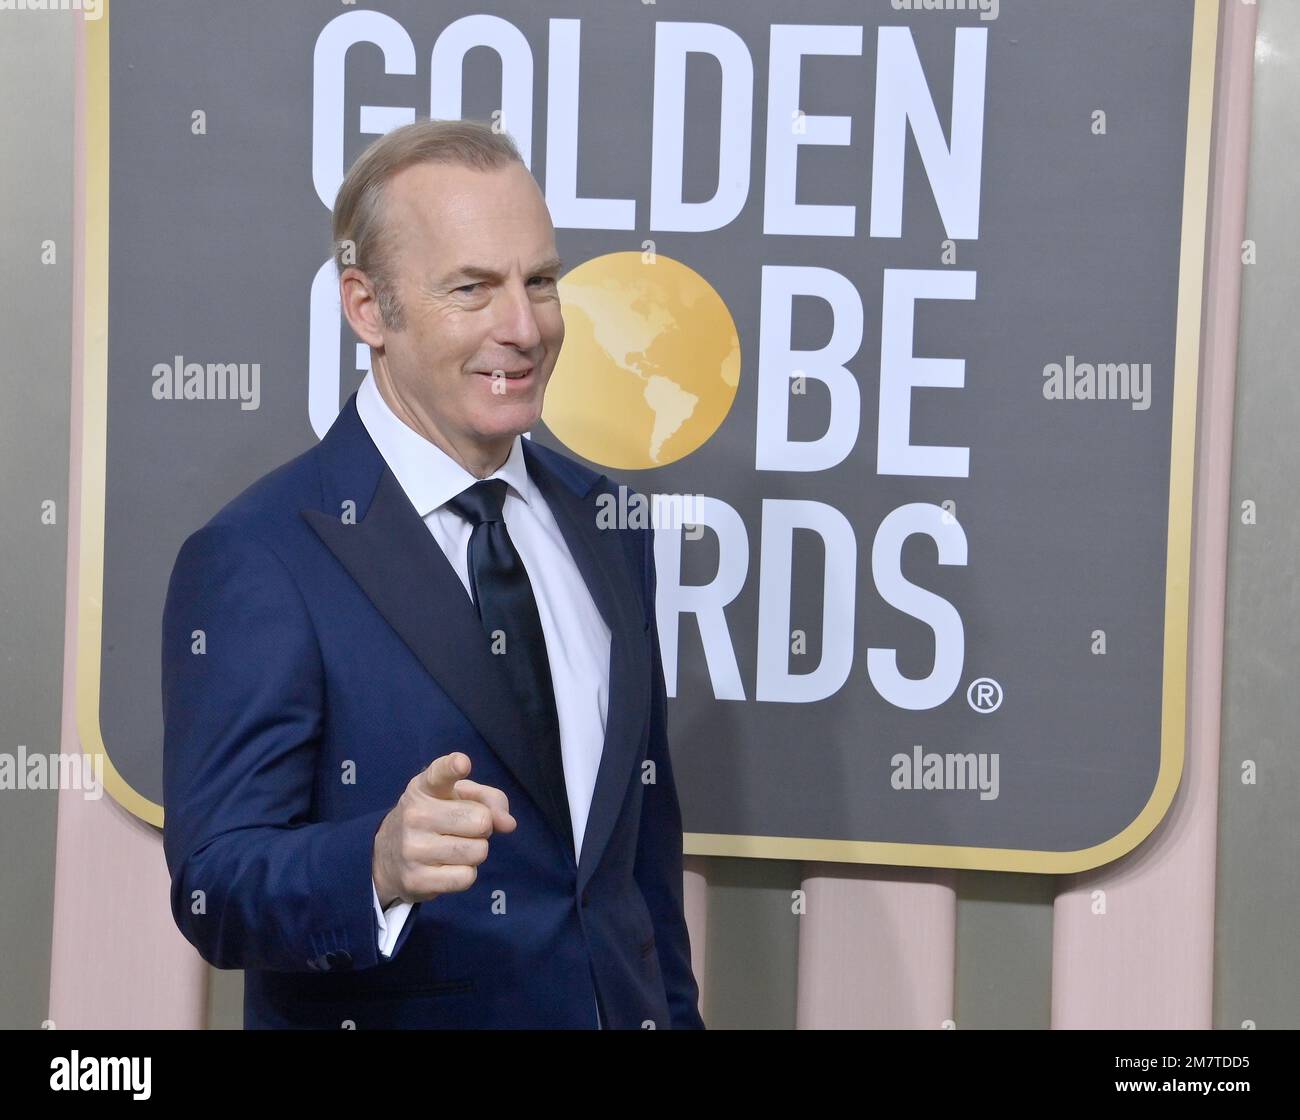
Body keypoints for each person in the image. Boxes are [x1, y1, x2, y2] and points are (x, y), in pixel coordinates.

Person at [161, 118, 705, 1030]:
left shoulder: (610, 524)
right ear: (368, 308)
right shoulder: (257, 557)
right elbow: (217, 886)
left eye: (539, 281)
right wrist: (372, 864)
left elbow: (640, 871)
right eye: (472, 289)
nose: (523, 328)